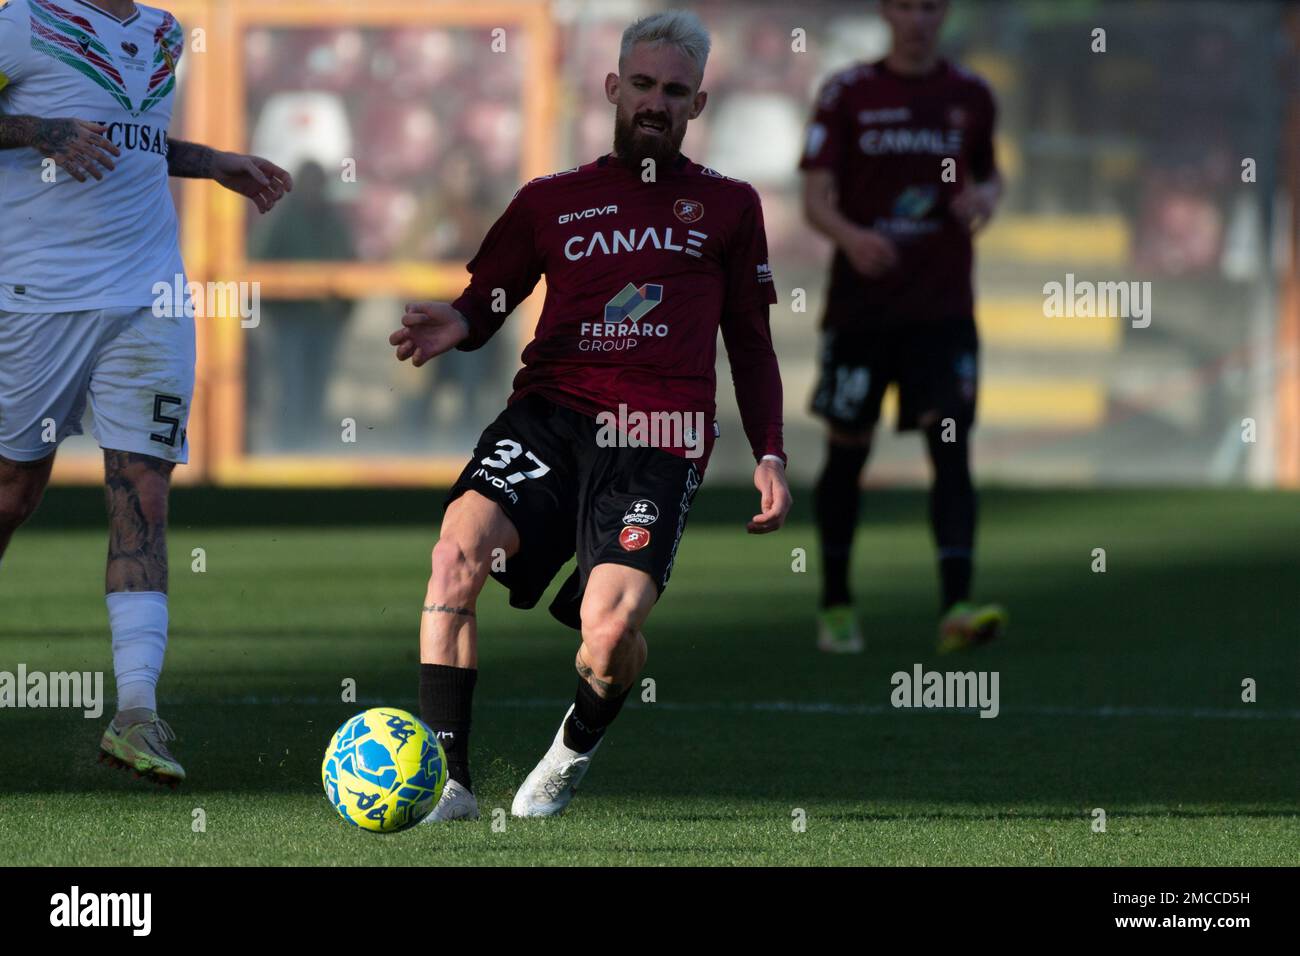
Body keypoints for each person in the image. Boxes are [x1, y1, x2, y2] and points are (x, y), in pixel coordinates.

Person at [390, 10, 791, 821]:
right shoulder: (550, 201)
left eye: (675, 91)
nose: (656, 102)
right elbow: (488, 301)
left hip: (659, 439)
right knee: (455, 556)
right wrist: (459, 323)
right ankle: (451, 783)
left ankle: (571, 751)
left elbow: (750, 343)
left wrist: (769, 453)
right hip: (549, 417)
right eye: (642, 84)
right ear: (613, 88)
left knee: (607, 636)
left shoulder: (730, 208)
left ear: (697, 106)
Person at [0, 0, 292, 783]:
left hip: (150, 297)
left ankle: (136, 715)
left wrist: (210, 161)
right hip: (34, 300)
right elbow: (59, 130)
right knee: (12, 492)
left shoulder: (163, 31)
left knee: (144, 492)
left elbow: (131, 140)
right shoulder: (22, 22)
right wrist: (36, 132)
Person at [799, 0, 1006, 654]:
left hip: (942, 312)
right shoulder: (847, 92)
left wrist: (985, 199)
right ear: (888, 12)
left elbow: (989, 175)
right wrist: (851, 237)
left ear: (943, 15)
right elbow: (814, 195)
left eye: (931, 8)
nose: (919, 19)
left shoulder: (970, 94)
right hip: (863, 312)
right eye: (907, 7)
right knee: (846, 451)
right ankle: (836, 604)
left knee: (950, 452)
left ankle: (957, 609)